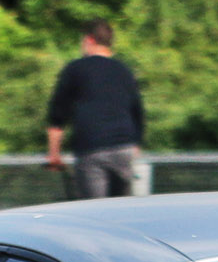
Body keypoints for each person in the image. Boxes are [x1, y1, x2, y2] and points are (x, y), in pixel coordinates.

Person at [45, 20, 145, 199]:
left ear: (89, 40)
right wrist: (135, 144)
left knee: (94, 212)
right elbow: (137, 111)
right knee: (121, 211)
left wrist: (54, 154)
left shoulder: (75, 69)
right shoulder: (124, 70)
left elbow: (57, 114)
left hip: (92, 148)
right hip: (124, 149)